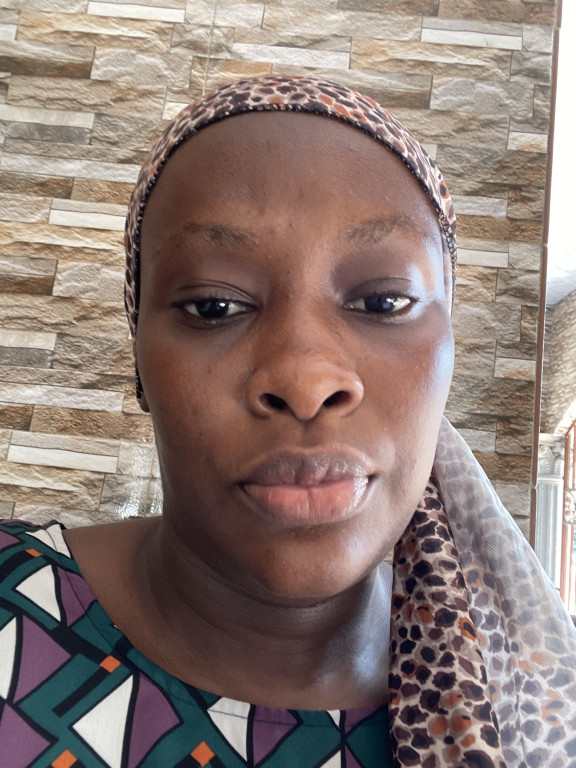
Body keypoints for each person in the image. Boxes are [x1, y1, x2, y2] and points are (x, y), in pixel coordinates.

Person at [0, 75, 574, 768]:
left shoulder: (528, 707)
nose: (306, 383)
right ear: (140, 364)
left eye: (383, 303)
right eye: (214, 306)